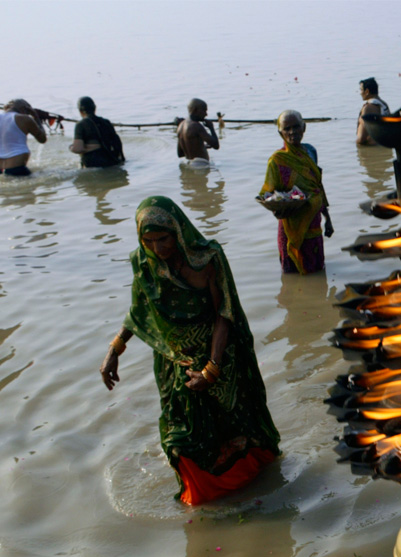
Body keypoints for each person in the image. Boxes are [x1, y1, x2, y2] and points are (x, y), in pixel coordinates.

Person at [99, 196, 281, 505]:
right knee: (181, 436)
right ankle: (201, 496)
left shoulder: (207, 259)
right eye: (149, 240)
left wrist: (212, 368)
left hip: (217, 349)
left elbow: (225, 313)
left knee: (234, 423)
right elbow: (139, 309)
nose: (158, 248)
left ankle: (245, 487)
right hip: (173, 358)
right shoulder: (144, 263)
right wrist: (115, 349)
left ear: (179, 232)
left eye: (164, 239)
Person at [260, 110, 333, 274]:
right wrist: (278, 209)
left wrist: (328, 218)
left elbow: (317, 186)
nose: (292, 132)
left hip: (313, 221)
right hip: (290, 224)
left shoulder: (311, 152)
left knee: (317, 269)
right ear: (280, 133)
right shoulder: (277, 160)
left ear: (304, 127)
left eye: (296, 127)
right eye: (287, 129)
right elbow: (269, 195)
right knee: (292, 269)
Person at [70, 96, 125, 168]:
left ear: (80, 111)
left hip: (94, 164)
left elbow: (78, 149)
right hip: (112, 161)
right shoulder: (106, 122)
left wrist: (70, 147)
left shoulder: (81, 125)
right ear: (95, 108)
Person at [0, 99, 47, 176]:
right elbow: (42, 139)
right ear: (25, 109)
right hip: (16, 166)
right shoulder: (25, 119)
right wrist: (36, 117)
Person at [177, 98, 219, 167]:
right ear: (196, 110)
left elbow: (180, 153)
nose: (206, 114)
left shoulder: (180, 126)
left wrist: (201, 146)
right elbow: (216, 145)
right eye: (204, 111)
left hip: (188, 164)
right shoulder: (196, 126)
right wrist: (211, 128)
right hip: (200, 166)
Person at [356, 77, 391, 146]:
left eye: (361, 90)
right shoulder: (383, 104)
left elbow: (361, 139)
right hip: (385, 145)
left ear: (367, 91)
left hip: (371, 149)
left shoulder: (368, 108)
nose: (360, 93)